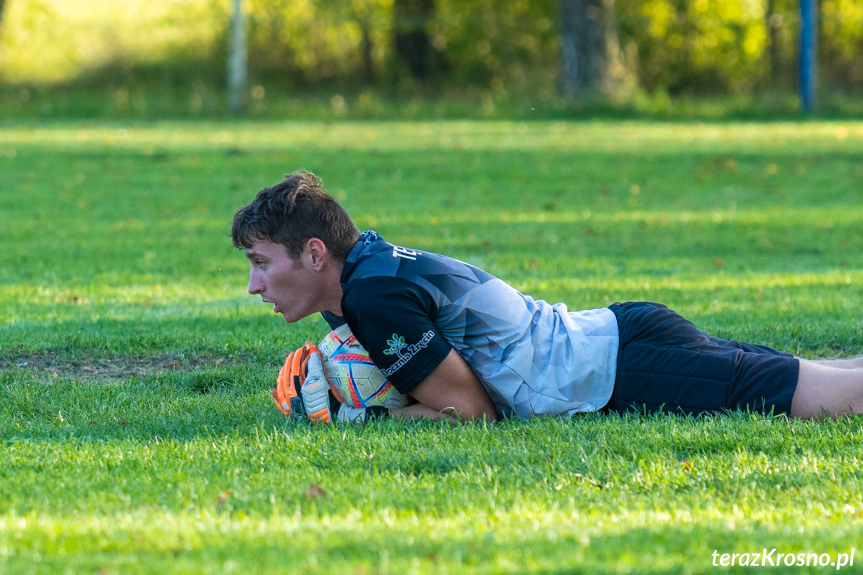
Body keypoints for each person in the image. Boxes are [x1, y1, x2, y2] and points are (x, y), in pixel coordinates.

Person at [231, 171, 863, 424]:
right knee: (822, 373)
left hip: (619, 372)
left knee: (828, 398)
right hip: (620, 330)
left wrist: (356, 417)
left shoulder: (373, 300)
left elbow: (472, 414)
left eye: (262, 264)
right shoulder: (367, 264)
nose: (255, 285)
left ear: (316, 253)